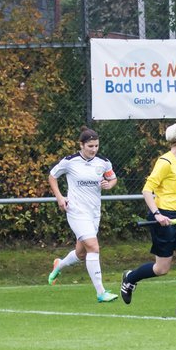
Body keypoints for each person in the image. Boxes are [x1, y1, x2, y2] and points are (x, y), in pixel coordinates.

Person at [119, 123, 176, 317]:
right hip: (163, 216)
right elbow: (147, 190)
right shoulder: (165, 162)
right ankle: (130, 278)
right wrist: (157, 214)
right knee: (162, 268)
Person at [47, 127, 119, 302]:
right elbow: (52, 176)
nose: (94, 149)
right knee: (94, 247)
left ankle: (58, 265)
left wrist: (110, 185)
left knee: (81, 254)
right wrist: (59, 197)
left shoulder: (103, 162)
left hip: (94, 212)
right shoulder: (70, 161)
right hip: (76, 211)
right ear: (81, 145)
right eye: (90, 146)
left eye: (96, 146)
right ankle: (101, 292)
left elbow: (112, 178)